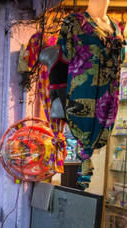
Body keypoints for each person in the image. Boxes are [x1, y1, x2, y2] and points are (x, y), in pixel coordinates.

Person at [56, 0, 124, 189]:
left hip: (109, 99)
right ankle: (84, 167)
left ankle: (86, 166)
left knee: (100, 134)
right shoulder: (74, 23)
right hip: (83, 95)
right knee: (85, 130)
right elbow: (64, 55)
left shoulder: (116, 27)